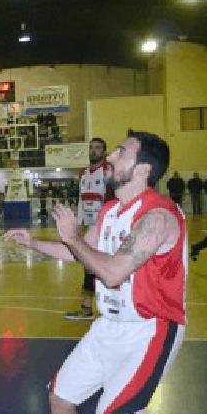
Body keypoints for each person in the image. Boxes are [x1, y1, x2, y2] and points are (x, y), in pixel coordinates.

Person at [5, 132, 187, 414]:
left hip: (151, 329)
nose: (113, 157)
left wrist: (74, 238)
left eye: (122, 152)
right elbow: (79, 252)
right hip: (110, 327)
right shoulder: (109, 211)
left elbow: (113, 272)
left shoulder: (158, 216)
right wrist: (32, 242)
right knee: (61, 396)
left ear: (143, 169)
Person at [65, 137, 115, 321]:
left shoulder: (109, 172)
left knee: (105, 266)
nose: (94, 151)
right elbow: (81, 200)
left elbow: (114, 199)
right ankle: (86, 308)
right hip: (90, 229)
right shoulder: (83, 173)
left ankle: (113, 307)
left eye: (98, 148)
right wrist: (78, 224)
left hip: (107, 228)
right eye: (91, 148)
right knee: (88, 266)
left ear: (104, 151)